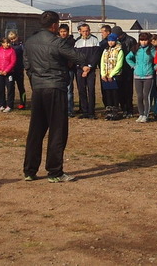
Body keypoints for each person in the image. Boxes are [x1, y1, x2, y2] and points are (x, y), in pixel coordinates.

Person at [23, 11, 89, 182]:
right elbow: (79, 57)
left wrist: (35, 80)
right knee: (57, 130)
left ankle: (30, 170)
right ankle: (55, 171)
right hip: (55, 86)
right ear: (54, 25)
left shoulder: (30, 42)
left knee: (35, 131)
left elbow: (27, 65)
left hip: (38, 87)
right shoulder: (57, 42)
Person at [126, 32, 156, 123]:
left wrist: (154, 68)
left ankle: (146, 115)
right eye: (141, 40)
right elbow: (128, 58)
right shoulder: (136, 49)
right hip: (137, 75)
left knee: (146, 96)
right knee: (139, 96)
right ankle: (141, 114)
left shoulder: (152, 49)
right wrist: (134, 66)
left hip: (148, 76)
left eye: (145, 40)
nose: (143, 42)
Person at [74, 24, 101, 119]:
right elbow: (75, 56)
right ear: (80, 31)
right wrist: (82, 67)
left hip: (91, 70)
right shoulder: (77, 42)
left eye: (87, 30)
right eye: (83, 31)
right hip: (80, 70)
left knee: (91, 90)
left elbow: (96, 56)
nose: (86, 32)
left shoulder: (95, 40)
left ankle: (91, 112)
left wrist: (89, 67)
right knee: (81, 90)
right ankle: (84, 111)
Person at [112, 26, 137, 118]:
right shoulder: (115, 41)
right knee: (119, 90)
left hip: (127, 69)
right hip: (118, 69)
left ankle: (129, 109)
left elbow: (134, 54)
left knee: (128, 90)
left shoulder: (131, 40)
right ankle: (123, 108)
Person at [100, 33, 124, 120]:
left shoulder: (119, 50)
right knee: (107, 94)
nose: (110, 42)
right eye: (109, 40)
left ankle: (115, 112)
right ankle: (108, 112)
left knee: (115, 94)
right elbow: (102, 62)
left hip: (115, 76)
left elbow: (119, 64)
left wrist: (112, 74)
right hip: (106, 76)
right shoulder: (105, 50)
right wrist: (103, 74)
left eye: (112, 40)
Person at [58, 24, 76, 117]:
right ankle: (61, 109)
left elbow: (74, 53)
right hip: (59, 68)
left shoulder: (72, 42)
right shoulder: (57, 41)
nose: (63, 33)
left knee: (69, 89)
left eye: (64, 31)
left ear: (68, 32)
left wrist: (71, 61)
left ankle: (69, 110)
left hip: (69, 68)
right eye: (61, 31)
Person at [0, 37, 17, 112]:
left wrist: (6, 70)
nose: (7, 44)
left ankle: (9, 105)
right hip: (0, 73)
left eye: (8, 43)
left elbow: (13, 62)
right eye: (5, 43)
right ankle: (2, 104)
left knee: (10, 88)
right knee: (0, 89)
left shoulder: (12, 51)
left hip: (9, 73)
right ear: (2, 43)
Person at [8, 31, 27, 110]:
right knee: (10, 87)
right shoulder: (9, 46)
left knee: (21, 87)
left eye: (14, 38)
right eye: (11, 39)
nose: (13, 40)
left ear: (17, 37)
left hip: (19, 69)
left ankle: (23, 102)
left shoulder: (21, 46)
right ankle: (10, 103)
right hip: (11, 69)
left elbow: (25, 56)